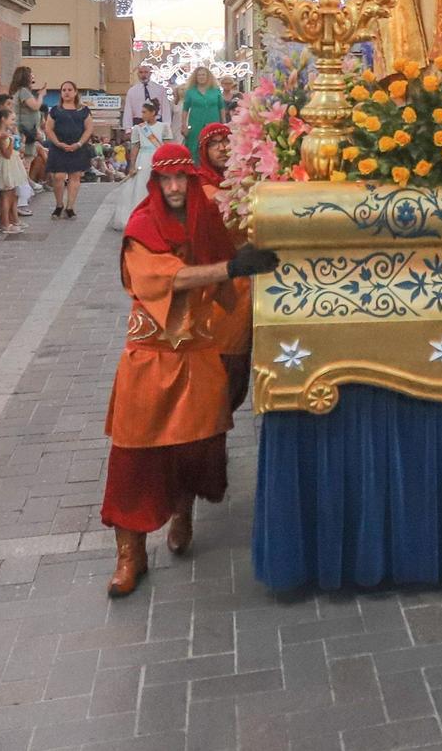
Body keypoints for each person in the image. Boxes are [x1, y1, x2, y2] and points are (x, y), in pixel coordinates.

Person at [101, 144, 277, 597]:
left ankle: (183, 513)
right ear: (155, 183)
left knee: (196, 445)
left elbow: (235, 238)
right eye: (167, 180)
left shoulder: (206, 217)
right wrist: (231, 266)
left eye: (182, 179)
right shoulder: (142, 226)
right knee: (134, 453)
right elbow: (167, 278)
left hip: (199, 351)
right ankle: (130, 553)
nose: (176, 187)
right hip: (150, 355)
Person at [194, 124, 254, 412]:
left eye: (226, 141)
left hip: (246, 285)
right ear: (203, 150)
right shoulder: (203, 184)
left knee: (237, 367)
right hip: (221, 289)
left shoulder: (242, 179)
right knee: (223, 366)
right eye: (213, 143)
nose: (221, 147)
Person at [43, 80, 93, 219]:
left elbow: (89, 128)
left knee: (75, 176)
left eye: (70, 89)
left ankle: (70, 207)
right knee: (58, 176)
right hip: (59, 147)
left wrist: (79, 143)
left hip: (78, 147)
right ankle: (59, 204)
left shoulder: (83, 110)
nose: (66, 92)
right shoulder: (55, 110)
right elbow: (48, 128)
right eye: (64, 90)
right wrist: (58, 143)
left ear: (75, 92)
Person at [118, 99, 170, 229]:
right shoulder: (138, 128)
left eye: (145, 112)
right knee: (141, 187)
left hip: (158, 159)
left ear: (153, 113)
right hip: (143, 159)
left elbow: (168, 146)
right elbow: (135, 147)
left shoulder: (164, 127)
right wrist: (132, 165)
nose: (142, 114)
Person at [10, 67, 46, 194]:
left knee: (27, 160)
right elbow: (35, 106)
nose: (33, 77)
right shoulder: (23, 91)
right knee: (26, 162)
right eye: (31, 75)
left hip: (28, 130)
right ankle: (24, 189)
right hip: (25, 131)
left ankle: (28, 184)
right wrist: (41, 96)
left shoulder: (21, 92)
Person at [179, 65, 226, 154]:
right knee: (195, 146)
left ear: (208, 76)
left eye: (203, 75)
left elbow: (221, 107)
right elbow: (185, 109)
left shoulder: (216, 90)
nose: (201, 77)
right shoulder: (190, 92)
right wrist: (183, 125)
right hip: (196, 124)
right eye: (199, 75)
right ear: (195, 77)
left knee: (213, 145)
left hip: (213, 122)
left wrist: (223, 123)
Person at [122, 63, 175, 135]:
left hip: (157, 123)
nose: (143, 75)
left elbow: (165, 108)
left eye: (146, 72)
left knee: (156, 145)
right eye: (141, 72)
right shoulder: (132, 91)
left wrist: (167, 126)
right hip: (139, 123)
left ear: (150, 74)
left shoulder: (159, 89)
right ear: (137, 74)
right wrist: (128, 128)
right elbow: (128, 110)